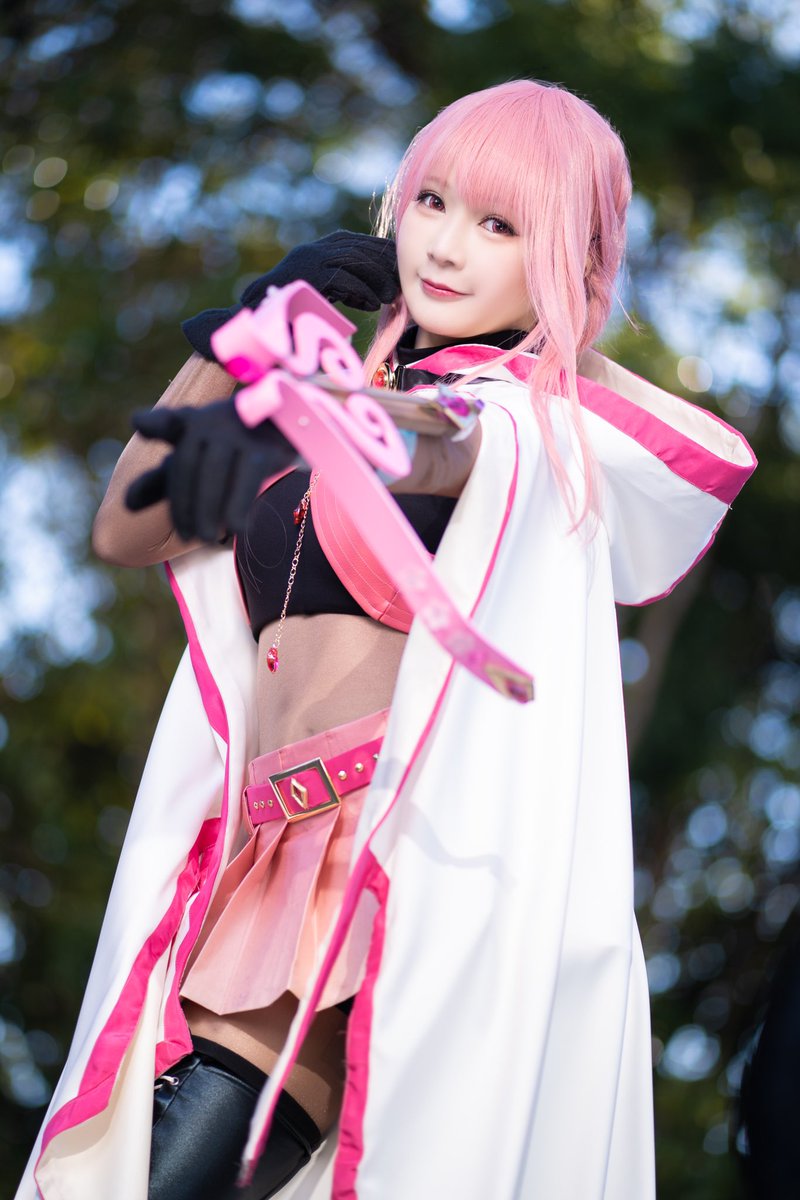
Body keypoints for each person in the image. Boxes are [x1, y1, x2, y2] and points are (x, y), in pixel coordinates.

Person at [17, 80, 756, 1200]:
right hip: (243, 856)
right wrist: (254, 327)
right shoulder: (338, 390)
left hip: (366, 868)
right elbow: (127, 524)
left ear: (568, 257)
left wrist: (334, 415)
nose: (446, 246)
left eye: (501, 224)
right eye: (431, 202)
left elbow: (438, 441)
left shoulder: (521, 432)